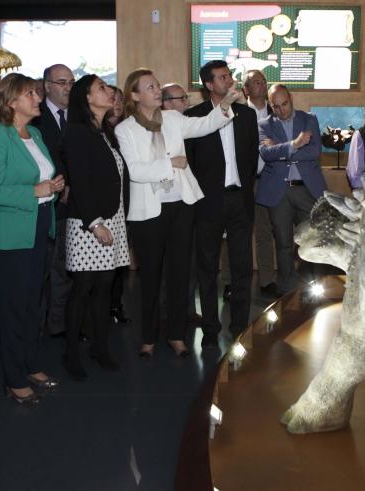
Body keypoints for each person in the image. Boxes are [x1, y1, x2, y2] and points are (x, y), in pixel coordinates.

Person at [115, 68, 238, 358]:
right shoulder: (125, 129)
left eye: (157, 85)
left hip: (182, 205)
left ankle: (176, 335)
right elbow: (136, 171)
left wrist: (225, 106)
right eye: (150, 87)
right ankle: (148, 337)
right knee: (151, 277)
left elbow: (205, 125)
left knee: (180, 274)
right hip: (148, 212)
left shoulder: (172, 118)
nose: (157, 90)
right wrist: (173, 163)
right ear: (135, 95)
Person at [0, 73, 63, 405]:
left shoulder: (36, 134)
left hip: (39, 223)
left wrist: (51, 188)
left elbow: (40, 179)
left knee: (32, 304)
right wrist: (35, 190)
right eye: (31, 93)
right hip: (10, 232)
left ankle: (29, 364)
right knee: (13, 307)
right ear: (12, 101)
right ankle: (14, 379)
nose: (38, 98)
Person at [184, 60, 260, 349]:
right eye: (223, 77)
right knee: (206, 267)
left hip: (239, 198)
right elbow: (189, 163)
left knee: (242, 266)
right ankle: (211, 328)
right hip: (208, 202)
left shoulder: (247, 115)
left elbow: (251, 157)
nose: (230, 81)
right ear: (209, 85)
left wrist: (244, 189)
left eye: (230, 76)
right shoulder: (194, 116)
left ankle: (240, 326)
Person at [60, 75, 130, 378]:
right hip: (89, 222)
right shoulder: (76, 133)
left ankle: (100, 348)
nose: (110, 92)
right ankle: (70, 354)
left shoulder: (104, 132)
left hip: (112, 219)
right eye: (101, 88)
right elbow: (80, 181)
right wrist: (95, 223)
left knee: (105, 288)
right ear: (87, 98)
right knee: (83, 289)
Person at [256, 84, 328, 295]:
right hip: (279, 194)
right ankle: (287, 290)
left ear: (291, 98)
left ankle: (314, 288)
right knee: (284, 244)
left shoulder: (309, 119)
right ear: (270, 106)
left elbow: (314, 151)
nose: (282, 110)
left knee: (312, 241)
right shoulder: (264, 124)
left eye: (285, 104)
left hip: (307, 190)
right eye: (276, 106)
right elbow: (266, 154)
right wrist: (295, 144)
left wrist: (281, 149)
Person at [33, 64, 74, 338]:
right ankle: (35, 323)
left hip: (73, 206)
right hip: (44, 202)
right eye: (61, 82)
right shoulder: (34, 119)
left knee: (64, 268)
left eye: (71, 82)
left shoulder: (78, 117)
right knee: (41, 269)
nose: (67, 87)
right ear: (47, 85)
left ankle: (57, 323)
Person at [160, 83, 202, 324]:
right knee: (166, 262)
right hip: (165, 201)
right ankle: (165, 312)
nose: (186, 102)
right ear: (166, 103)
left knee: (190, 260)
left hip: (191, 199)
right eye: (181, 98)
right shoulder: (157, 127)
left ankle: (186, 309)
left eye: (186, 97)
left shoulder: (189, 123)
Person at [240, 69, 277, 297]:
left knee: (265, 232)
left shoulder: (276, 110)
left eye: (263, 81)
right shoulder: (238, 112)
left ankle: (266, 280)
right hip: (243, 181)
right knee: (237, 232)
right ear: (246, 89)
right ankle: (230, 282)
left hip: (268, 180)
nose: (262, 85)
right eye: (255, 82)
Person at [105, 84, 130, 325]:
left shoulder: (127, 129)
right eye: (113, 99)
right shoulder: (99, 132)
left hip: (127, 204)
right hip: (105, 208)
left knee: (121, 263)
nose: (118, 104)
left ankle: (116, 304)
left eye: (121, 99)